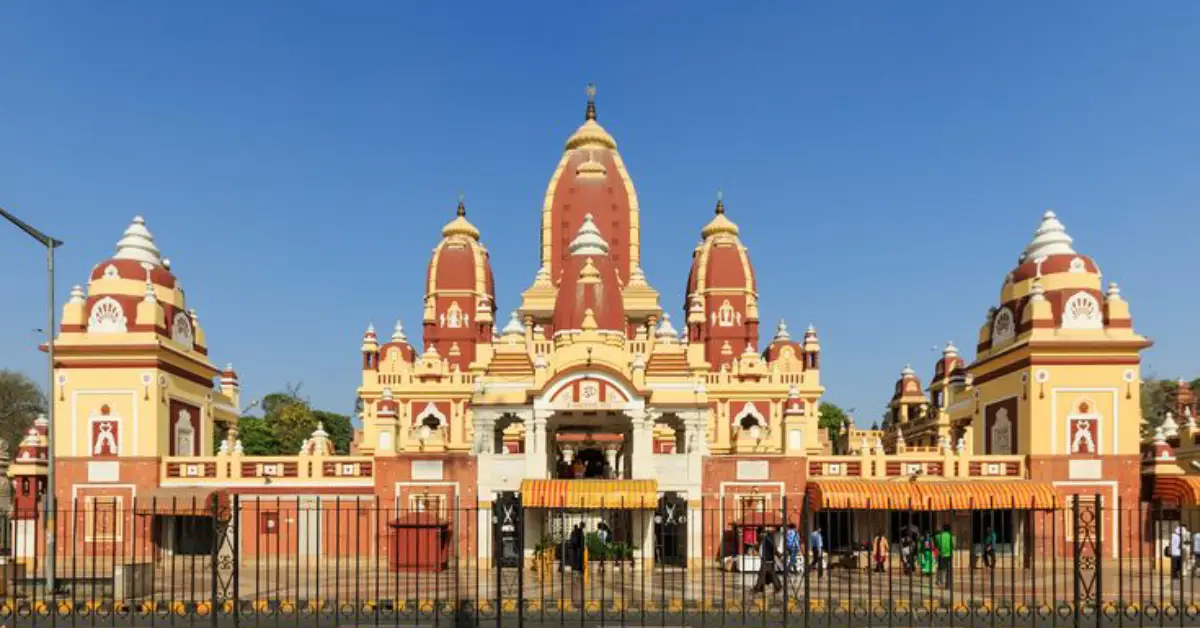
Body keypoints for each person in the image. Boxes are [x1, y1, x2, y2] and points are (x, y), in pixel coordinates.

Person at [751, 527, 782, 595]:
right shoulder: (764, 539)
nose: (758, 536)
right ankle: (776, 587)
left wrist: (777, 554)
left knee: (762, 575)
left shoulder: (767, 539)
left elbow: (773, 547)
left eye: (758, 534)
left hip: (767, 560)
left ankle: (757, 588)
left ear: (761, 533)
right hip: (766, 560)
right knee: (769, 574)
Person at [934, 524, 955, 590]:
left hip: (941, 554)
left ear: (943, 529)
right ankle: (947, 585)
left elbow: (936, 546)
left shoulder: (937, 536)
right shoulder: (951, 536)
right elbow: (953, 546)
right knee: (948, 570)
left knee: (941, 569)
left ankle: (940, 582)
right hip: (949, 555)